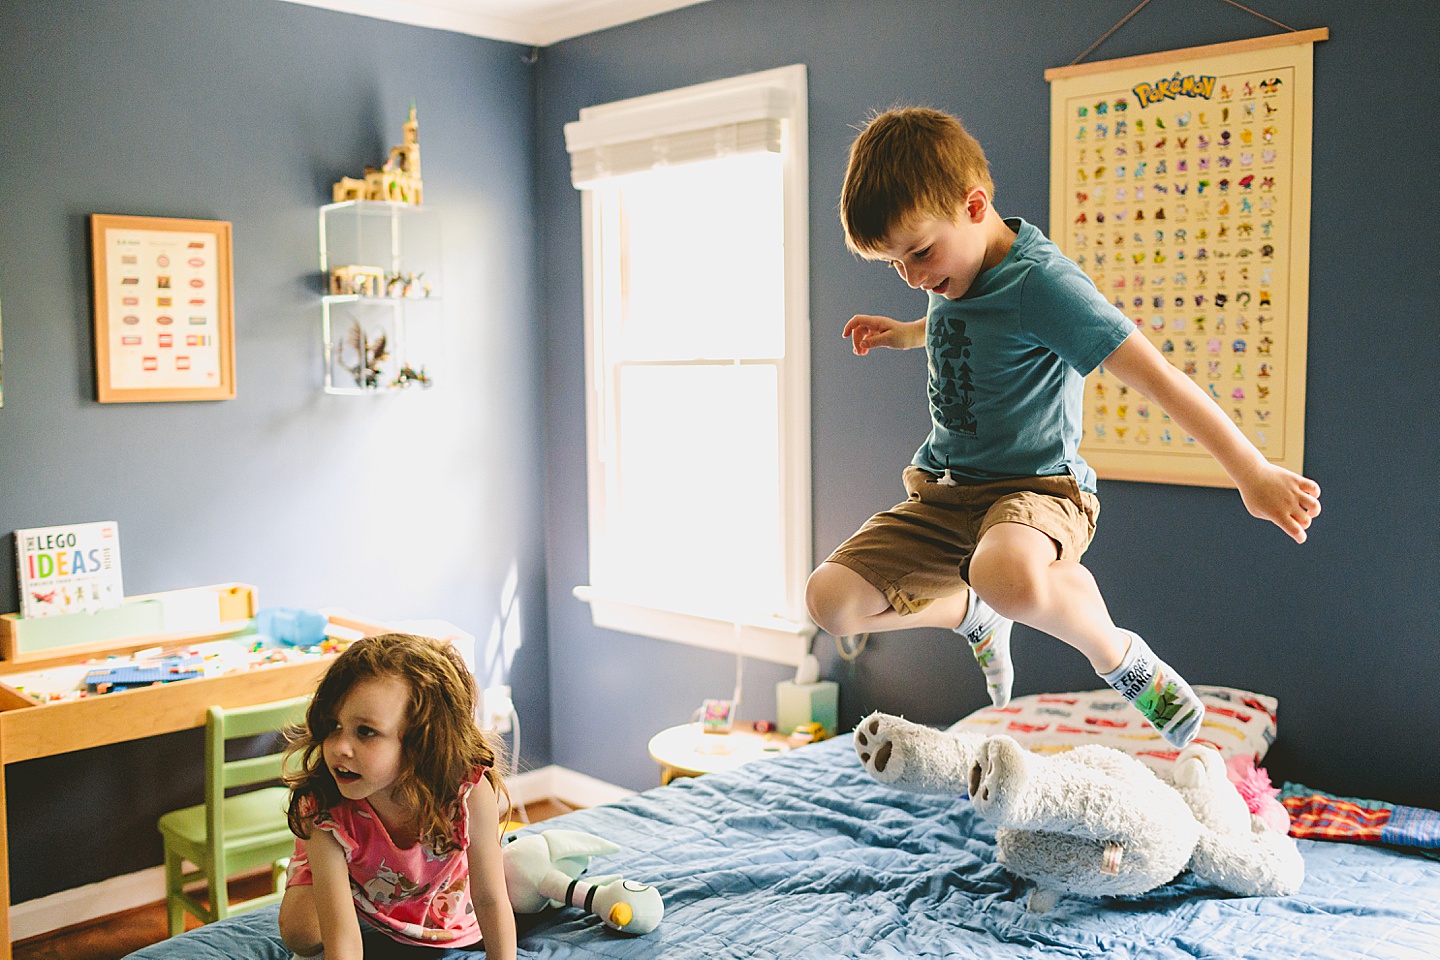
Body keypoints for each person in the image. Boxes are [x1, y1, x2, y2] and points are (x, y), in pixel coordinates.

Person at [806, 107, 1321, 749]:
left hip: (1040, 494)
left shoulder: (1044, 286)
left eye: (918, 255)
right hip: (945, 490)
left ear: (975, 204)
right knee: (831, 601)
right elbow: (959, 324)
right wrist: (908, 333)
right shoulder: (953, 265)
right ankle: (972, 615)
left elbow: (1158, 376)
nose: (913, 276)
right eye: (895, 265)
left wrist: (1252, 472)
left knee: (1008, 577)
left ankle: (1118, 656)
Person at [278, 633, 516, 960]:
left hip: (428, 874)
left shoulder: (470, 793)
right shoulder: (325, 812)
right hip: (350, 851)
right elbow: (342, 940)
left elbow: (490, 899)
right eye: (333, 725)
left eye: (365, 732)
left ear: (422, 742)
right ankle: (316, 868)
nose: (339, 747)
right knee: (300, 934)